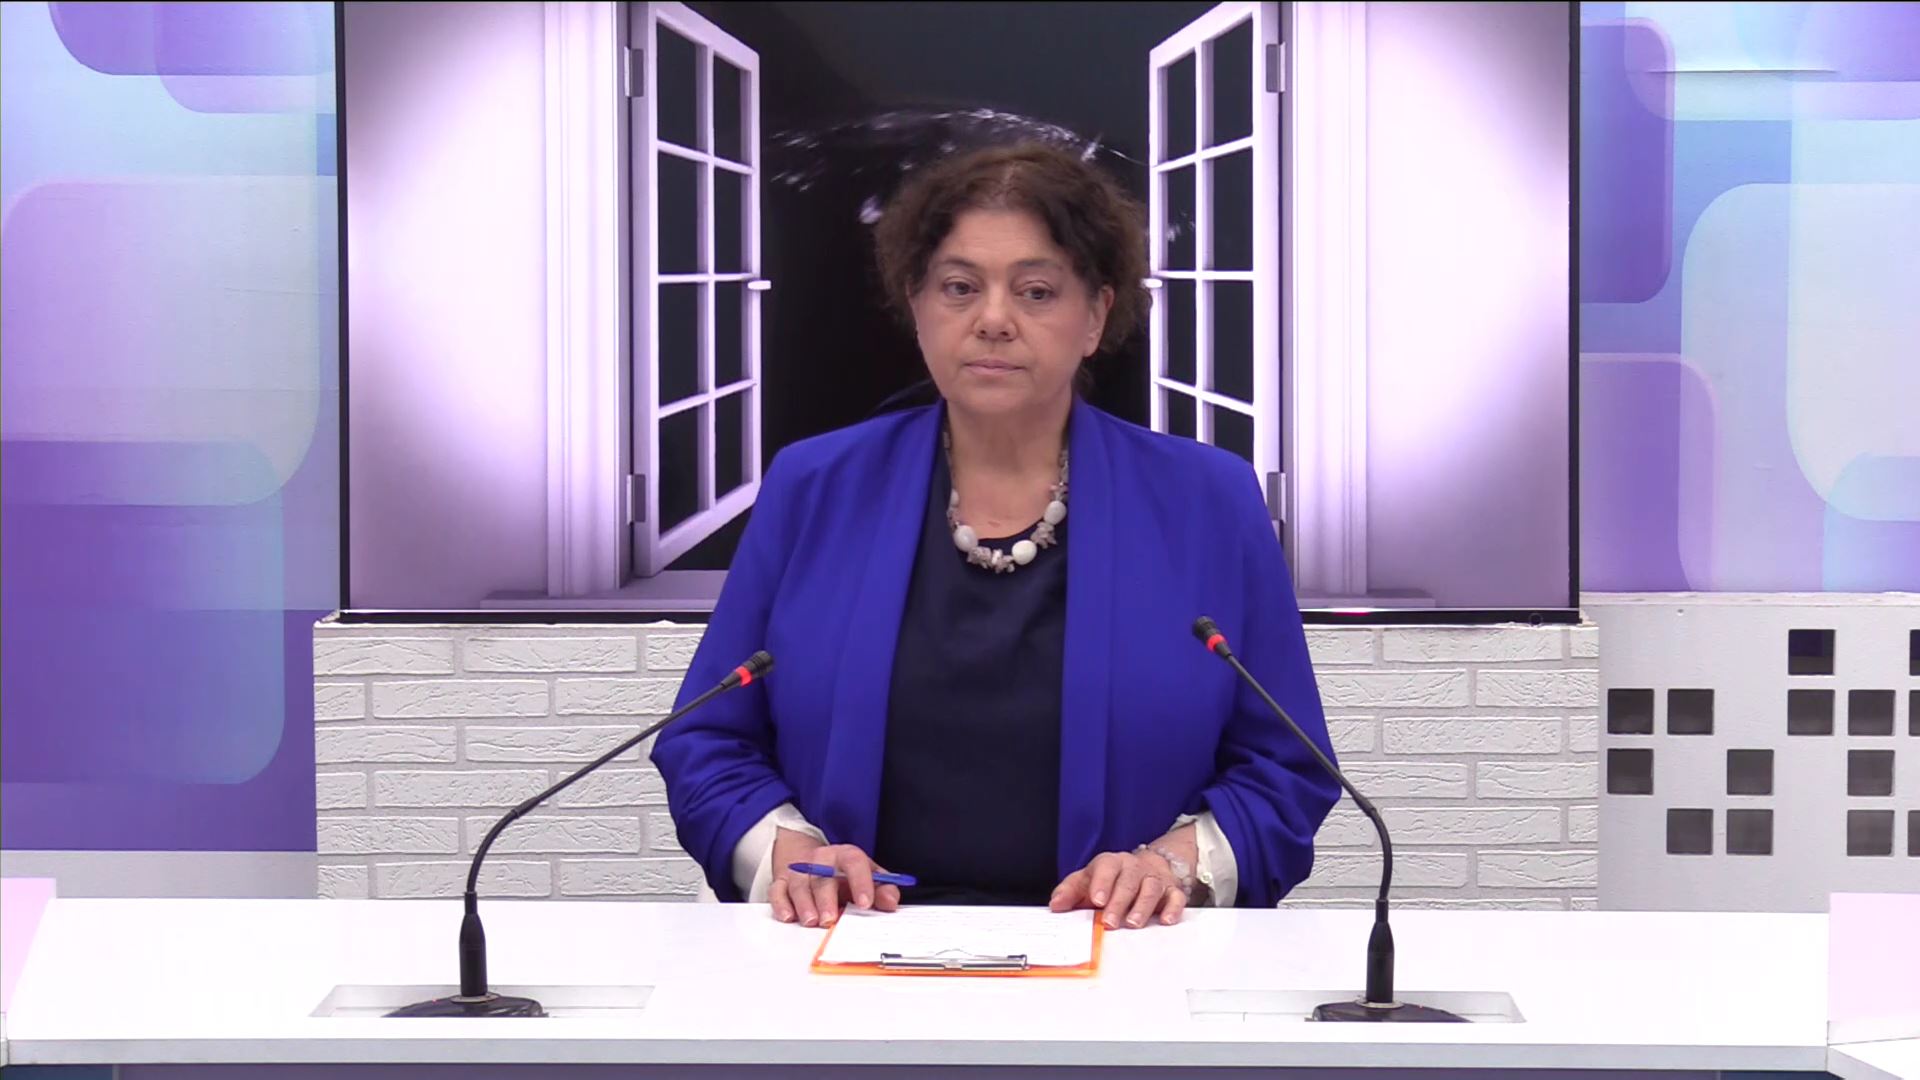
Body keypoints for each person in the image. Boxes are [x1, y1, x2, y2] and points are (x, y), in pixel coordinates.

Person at [651, 142, 1339, 931]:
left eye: (1037, 291)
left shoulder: (1209, 501)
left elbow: (1287, 769)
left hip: (1120, 954)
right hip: (850, 948)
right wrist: (786, 852)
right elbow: (707, 741)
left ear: (1095, 316)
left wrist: (1172, 868)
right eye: (959, 287)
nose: (994, 320)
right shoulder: (814, 486)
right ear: (917, 306)